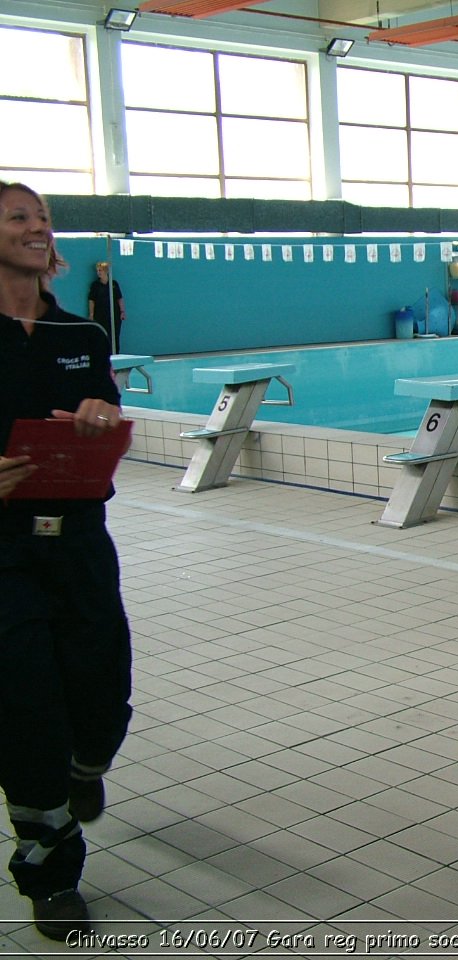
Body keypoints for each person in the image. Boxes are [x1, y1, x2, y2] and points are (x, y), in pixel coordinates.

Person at [0, 182, 133, 942]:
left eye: (43, 218)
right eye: (18, 217)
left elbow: (107, 411)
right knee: (24, 710)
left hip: (80, 540)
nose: (37, 228)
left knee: (101, 697)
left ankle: (88, 767)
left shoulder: (79, 332)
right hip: (2, 553)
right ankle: (49, 869)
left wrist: (100, 419)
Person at [87, 261, 124, 353]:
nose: (99, 272)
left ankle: (115, 354)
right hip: (100, 315)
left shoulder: (114, 284)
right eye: (97, 270)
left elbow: (119, 298)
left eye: (100, 270)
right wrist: (91, 314)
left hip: (114, 314)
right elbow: (91, 300)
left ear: (106, 271)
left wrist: (122, 311)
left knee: (115, 336)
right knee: (102, 335)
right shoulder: (95, 285)